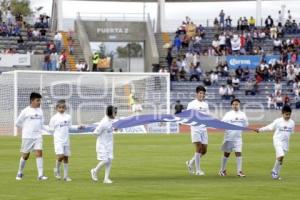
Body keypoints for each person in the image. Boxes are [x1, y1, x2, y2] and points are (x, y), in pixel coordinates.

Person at [256, 105, 295, 180]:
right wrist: (260, 129)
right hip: (277, 140)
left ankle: (276, 174)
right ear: (282, 113)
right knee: (281, 155)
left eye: (289, 114)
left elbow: (291, 133)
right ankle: (274, 171)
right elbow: (269, 127)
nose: (288, 116)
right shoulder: (278, 121)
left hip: (285, 143)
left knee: (280, 158)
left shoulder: (292, 123)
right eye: (286, 114)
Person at [49, 100, 84, 182]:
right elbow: (51, 129)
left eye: (63, 107)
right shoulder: (54, 118)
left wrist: (78, 127)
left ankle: (66, 176)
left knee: (66, 158)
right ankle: (57, 170)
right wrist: (55, 137)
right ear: (56, 108)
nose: (61, 109)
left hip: (66, 139)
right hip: (58, 140)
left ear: (65, 108)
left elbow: (70, 127)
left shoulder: (68, 117)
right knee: (60, 156)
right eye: (60, 107)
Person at [15, 92, 48, 181]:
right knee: (25, 156)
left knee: (39, 153)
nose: (39, 102)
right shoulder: (25, 111)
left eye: (40, 100)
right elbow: (17, 123)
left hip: (38, 136)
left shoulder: (40, 111)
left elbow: (42, 124)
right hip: (27, 137)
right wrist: (26, 129)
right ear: (32, 101)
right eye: (38, 100)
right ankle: (19, 172)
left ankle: (40, 175)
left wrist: (50, 130)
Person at [219, 99, 249, 177]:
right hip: (229, 138)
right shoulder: (228, 114)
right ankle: (222, 170)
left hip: (238, 138)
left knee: (238, 153)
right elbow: (222, 123)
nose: (235, 106)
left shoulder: (243, 115)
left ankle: (239, 171)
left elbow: (246, 125)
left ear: (239, 105)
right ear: (231, 105)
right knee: (226, 154)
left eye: (237, 104)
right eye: (234, 104)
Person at [185, 86, 209, 175]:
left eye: (203, 93)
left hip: (204, 128)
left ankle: (190, 163)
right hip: (195, 128)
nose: (201, 95)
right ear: (197, 94)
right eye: (200, 93)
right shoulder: (191, 104)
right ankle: (198, 170)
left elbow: (207, 116)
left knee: (204, 150)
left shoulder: (206, 104)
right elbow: (187, 115)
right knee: (198, 147)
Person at [90, 106, 117, 184]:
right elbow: (95, 132)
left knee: (109, 161)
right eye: (114, 112)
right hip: (102, 144)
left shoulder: (111, 121)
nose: (115, 114)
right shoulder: (103, 122)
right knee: (105, 160)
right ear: (110, 113)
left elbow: (111, 128)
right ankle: (94, 171)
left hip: (109, 144)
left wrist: (113, 129)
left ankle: (106, 179)